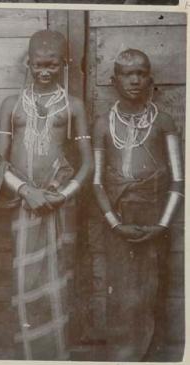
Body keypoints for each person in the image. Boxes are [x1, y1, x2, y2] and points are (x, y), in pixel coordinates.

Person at [0, 30, 93, 360]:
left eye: (52, 64)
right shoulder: (11, 105)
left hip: (58, 204)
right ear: (28, 63)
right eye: (38, 64)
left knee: (58, 281)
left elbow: (87, 164)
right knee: (25, 282)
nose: (44, 71)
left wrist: (64, 195)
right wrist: (24, 190)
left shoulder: (73, 106)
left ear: (64, 64)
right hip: (23, 204)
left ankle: (57, 355)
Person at [92, 49, 184, 361]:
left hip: (155, 221)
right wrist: (115, 223)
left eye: (141, 73)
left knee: (150, 294)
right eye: (126, 73)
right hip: (117, 221)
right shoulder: (103, 124)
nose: (134, 79)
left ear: (150, 79)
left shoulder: (164, 122)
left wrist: (161, 225)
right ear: (113, 79)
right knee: (122, 298)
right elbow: (96, 182)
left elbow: (178, 180)